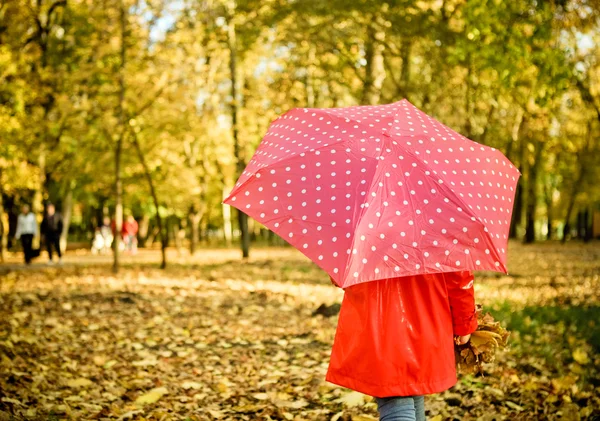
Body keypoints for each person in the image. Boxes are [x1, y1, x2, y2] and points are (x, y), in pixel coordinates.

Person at [326, 272, 477, 421]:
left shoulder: (362, 247)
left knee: (397, 399)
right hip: (425, 324)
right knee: (411, 388)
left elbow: (341, 275)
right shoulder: (438, 246)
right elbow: (457, 275)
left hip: (377, 328)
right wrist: (464, 322)